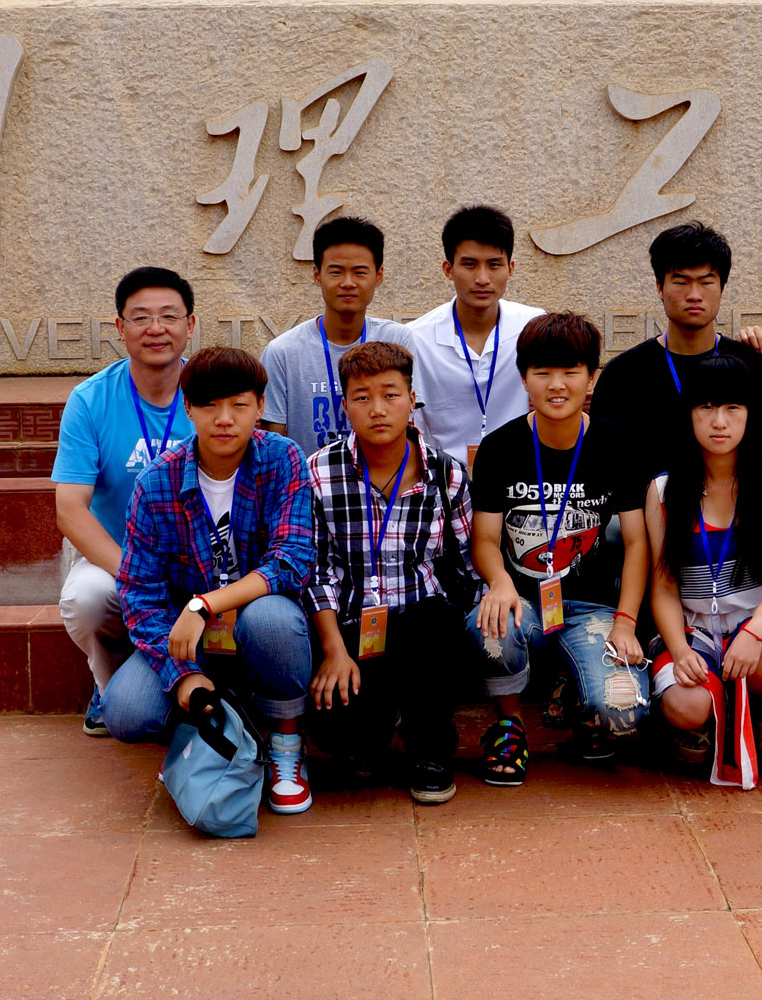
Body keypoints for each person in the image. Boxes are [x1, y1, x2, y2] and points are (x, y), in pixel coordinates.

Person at [102, 346, 320, 815]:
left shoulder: (282, 458)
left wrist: (204, 604)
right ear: (188, 408)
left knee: (273, 619)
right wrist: (183, 675)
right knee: (125, 712)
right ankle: (205, 731)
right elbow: (139, 594)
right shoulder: (156, 483)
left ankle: (286, 742)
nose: (224, 419)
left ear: (260, 407)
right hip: (191, 640)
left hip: (258, 623)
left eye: (239, 405)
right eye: (209, 406)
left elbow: (293, 560)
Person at [468, 312, 651, 784]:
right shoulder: (499, 447)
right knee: (491, 630)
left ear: (592, 377)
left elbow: (637, 543)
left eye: (570, 371)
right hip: (524, 600)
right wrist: (500, 583)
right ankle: (509, 725)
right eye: (542, 372)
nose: (556, 385)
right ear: (523, 377)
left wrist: (626, 622)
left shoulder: (618, 445)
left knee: (622, 711)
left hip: (593, 606)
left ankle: (579, 702)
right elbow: (484, 538)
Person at [304, 341, 477, 805]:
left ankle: (431, 748)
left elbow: (468, 562)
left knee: (435, 622)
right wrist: (333, 650)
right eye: (362, 398)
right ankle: (380, 721)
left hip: (424, 625)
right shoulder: (319, 473)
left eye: (390, 395)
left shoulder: (446, 475)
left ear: (412, 399)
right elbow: (315, 570)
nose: (377, 410)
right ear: (345, 406)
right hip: (351, 627)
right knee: (347, 739)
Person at [646, 353, 762, 787]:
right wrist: (680, 650)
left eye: (733, 408)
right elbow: (663, 588)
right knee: (686, 704)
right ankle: (704, 722)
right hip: (695, 628)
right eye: (706, 407)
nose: (719, 422)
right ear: (689, 414)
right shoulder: (663, 490)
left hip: (760, 625)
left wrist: (754, 631)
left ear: (750, 414)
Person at [51, 266, 199, 737]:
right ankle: (109, 685)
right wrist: (136, 573)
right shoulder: (90, 400)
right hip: (122, 557)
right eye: (141, 317)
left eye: (169, 316)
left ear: (190, 324)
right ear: (120, 327)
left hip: (203, 559)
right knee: (87, 598)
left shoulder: (211, 392)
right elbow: (70, 509)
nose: (156, 329)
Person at [589, 220, 762, 489]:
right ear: (659, 287)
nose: (694, 295)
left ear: (722, 288)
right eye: (681, 282)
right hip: (646, 515)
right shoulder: (623, 375)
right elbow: (603, 469)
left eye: (706, 282)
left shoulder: (755, 368)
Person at [262, 215, 415, 459]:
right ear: (316, 275)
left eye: (360, 272)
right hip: (309, 480)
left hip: (384, 479)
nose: (348, 283)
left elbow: (410, 425)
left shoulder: (397, 340)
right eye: (336, 272)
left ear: (379, 275)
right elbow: (273, 444)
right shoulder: (283, 352)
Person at [407, 205, 543, 468]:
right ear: (448, 269)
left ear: (510, 268)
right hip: (443, 479)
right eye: (469, 265)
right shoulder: (417, 338)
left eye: (494, 265)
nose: (482, 279)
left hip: (520, 475)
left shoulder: (532, 327)